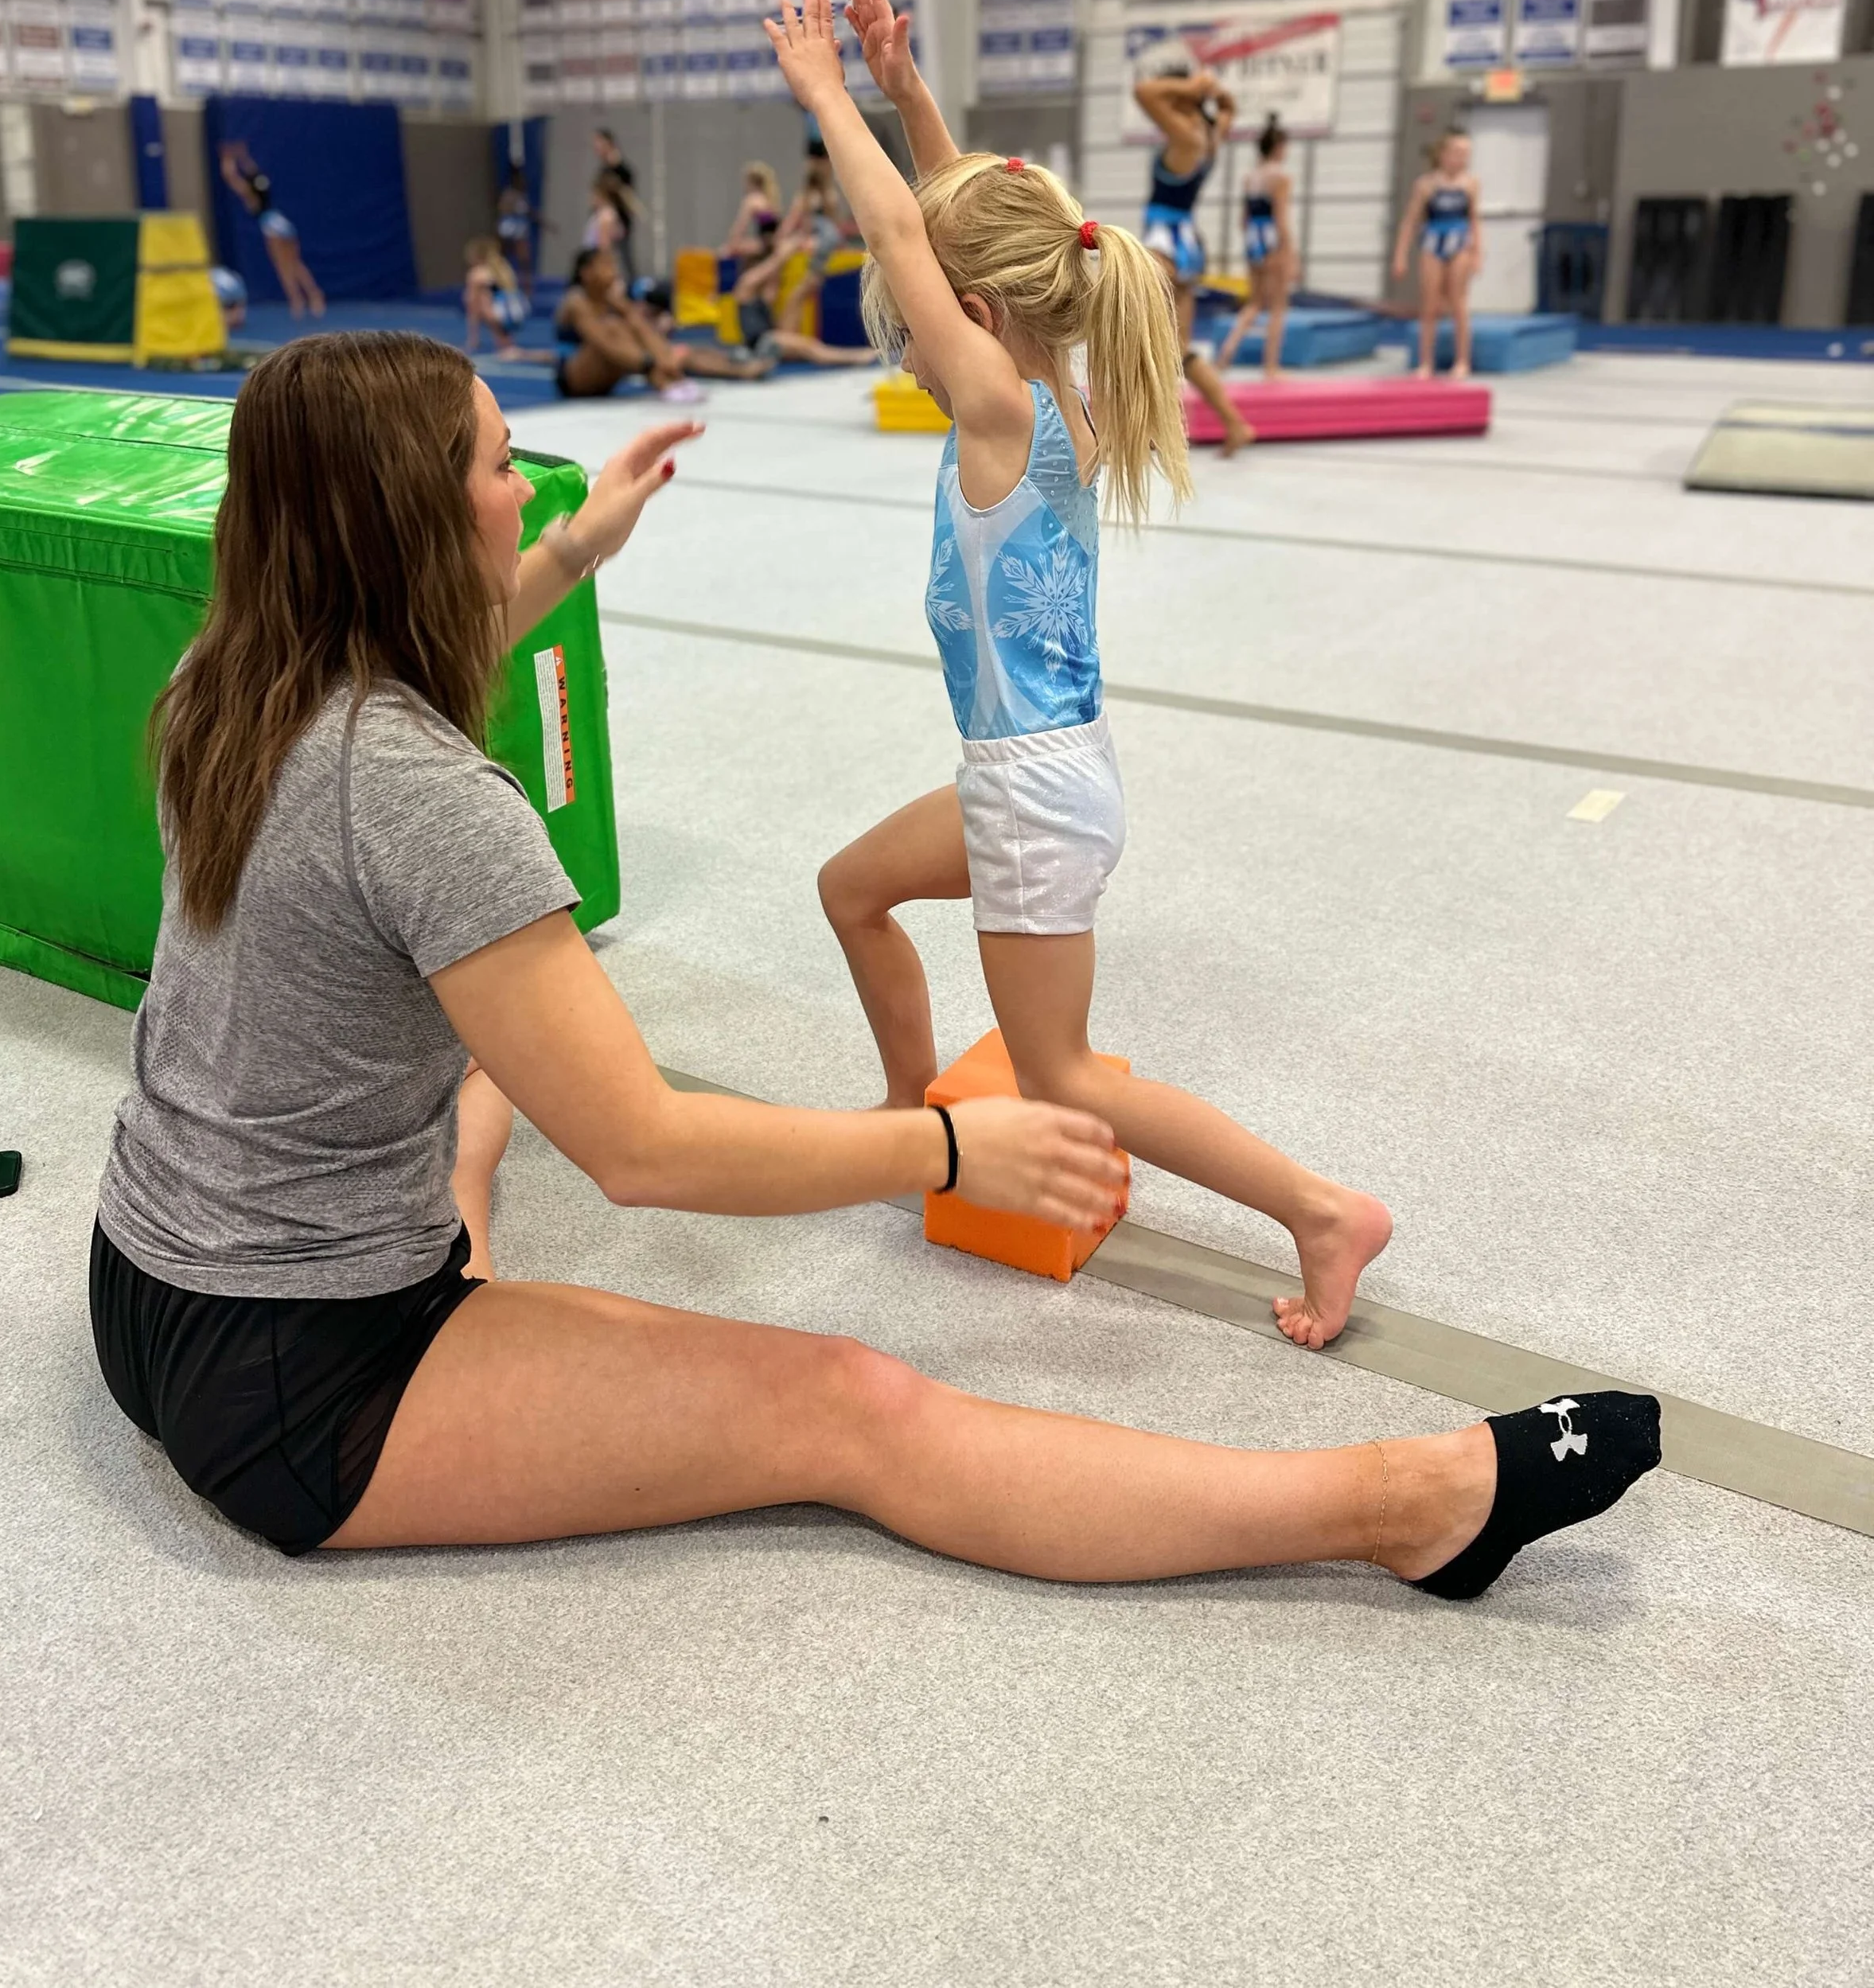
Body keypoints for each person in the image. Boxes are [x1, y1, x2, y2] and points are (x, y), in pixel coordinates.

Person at [88, 326, 1660, 1585]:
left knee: (488, 1087)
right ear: (415, 522)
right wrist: (948, 1137)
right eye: (507, 467)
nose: (528, 485)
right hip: (304, 1387)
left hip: (144, 1288)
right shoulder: (427, 795)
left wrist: (578, 552)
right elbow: (643, 1151)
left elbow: (410, 695)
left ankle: (460, 1287)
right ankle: (1405, 1504)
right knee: (848, 1402)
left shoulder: (228, 676)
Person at [797, 0, 1377, 1350]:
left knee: (1059, 1065)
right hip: (1040, 771)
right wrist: (906, 86)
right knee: (854, 887)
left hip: (1034, 790)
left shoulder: (999, 402)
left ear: (973, 312)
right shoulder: (1050, 382)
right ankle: (903, 1117)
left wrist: (826, 93)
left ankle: (1320, 1207)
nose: (918, 316)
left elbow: (900, 227)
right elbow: (971, 224)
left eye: (937, 300)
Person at [1129, 52, 1253, 454]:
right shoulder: (1211, 136)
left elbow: (1144, 92)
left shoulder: (1185, 136)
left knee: (1141, 339)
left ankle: (1149, 430)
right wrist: (1213, 94)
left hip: (1164, 240)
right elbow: (1230, 108)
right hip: (1188, 244)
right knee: (1179, 350)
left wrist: (1193, 87)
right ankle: (1234, 423)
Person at [555, 244, 769, 401]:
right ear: (586, 273)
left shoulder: (613, 300)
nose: (613, 270)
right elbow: (603, 342)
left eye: (613, 264)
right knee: (615, 327)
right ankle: (664, 378)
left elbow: (640, 328)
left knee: (675, 348)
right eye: (605, 265)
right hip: (576, 380)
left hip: (614, 371)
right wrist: (652, 365)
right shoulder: (576, 301)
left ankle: (738, 370)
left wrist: (665, 357)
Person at [1393, 131, 1483, 378]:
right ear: (1443, 155)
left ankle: (1462, 361)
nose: (1462, 159)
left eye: (1466, 154)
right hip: (1433, 242)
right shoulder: (1426, 185)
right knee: (1430, 306)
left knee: (1459, 303)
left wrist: (1478, 253)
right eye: (1458, 153)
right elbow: (1410, 221)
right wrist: (1400, 255)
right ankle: (1425, 362)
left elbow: (1475, 220)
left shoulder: (1470, 184)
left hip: (1460, 243)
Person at [1217, 113, 1297, 378]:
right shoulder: (1281, 178)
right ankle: (1271, 367)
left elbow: (1243, 220)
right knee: (1277, 307)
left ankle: (1228, 349)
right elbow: (1281, 218)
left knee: (1254, 302)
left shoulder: (1250, 177)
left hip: (1253, 238)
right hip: (1272, 237)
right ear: (1278, 147)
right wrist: (1290, 252)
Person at [218, 140, 325, 322]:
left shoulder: (247, 192)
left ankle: (297, 301)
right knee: (296, 263)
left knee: (283, 267)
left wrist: (227, 158)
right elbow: (250, 167)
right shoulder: (261, 181)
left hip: (270, 226)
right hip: (282, 221)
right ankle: (315, 295)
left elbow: (230, 175)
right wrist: (242, 155)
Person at [462, 236, 528, 361]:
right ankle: (507, 344)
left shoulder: (477, 274)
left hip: (500, 314)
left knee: (476, 302)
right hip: (517, 313)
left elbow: (470, 303)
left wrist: (473, 338)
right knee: (483, 298)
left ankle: (474, 341)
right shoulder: (502, 268)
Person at [721, 162, 783, 266]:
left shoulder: (752, 200)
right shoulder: (770, 200)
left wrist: (731, 247)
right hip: (776, 244)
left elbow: (738, 231)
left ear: (750, 182)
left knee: (725, 251)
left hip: (766, 247)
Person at [494, 164, 536, 304]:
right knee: (502, 258)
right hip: (509, 227)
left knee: (525, 260)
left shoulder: (523, 196)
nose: (523, 182)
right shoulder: (509, 195)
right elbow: (503, 210)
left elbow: (531, 213)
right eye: (520, 179)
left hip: (520, 228)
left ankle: (527, 290)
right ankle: (499, 286)